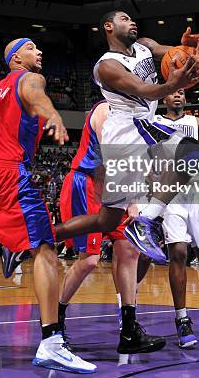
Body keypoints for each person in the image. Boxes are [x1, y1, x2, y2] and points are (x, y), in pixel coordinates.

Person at [0, 38, 96, 374]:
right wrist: (52, 113)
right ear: (15, 59)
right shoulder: (28, 78)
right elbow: (36, 95)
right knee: (45, 249)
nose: (39, 52)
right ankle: (52, 342)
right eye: (31, 48)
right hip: (5, 175)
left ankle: (14, 243)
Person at [52, 12, 199, 263]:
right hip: (129, 129)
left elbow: (170, 53)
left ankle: (39, 238)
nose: (132, 21)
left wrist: (187, 48)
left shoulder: (144, 46)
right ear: (108, 26)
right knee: (192, 152)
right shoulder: (107, 66)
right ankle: (145, 222)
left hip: (135, 132)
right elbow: (144, 90)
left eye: (132, 19)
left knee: (107, 220)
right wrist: (172, 85)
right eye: (125, 19)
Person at [58, 100, 165, 354]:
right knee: (89, 260)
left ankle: (129, 331)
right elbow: (110, 162)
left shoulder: (136, 117)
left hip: (115, 189)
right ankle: (54, 323)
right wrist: (131, 202)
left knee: (129, 249)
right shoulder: (106, 110)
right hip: (88, 184)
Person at [153, 89, 199, 348]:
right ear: (164, 98)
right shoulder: (154, 122)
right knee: (178, 254)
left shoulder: (197, 122)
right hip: (171, 196)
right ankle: (182, 320)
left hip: (197, 192)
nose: (177, 96)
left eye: (182, 92)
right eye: (172, 92)